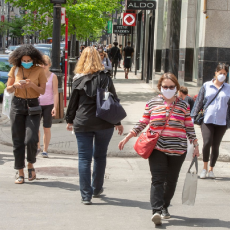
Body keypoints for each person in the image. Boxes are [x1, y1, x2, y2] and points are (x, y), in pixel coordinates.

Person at [119, 72, 199, 226]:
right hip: (157, 148)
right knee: (157, 180)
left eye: (171, 87)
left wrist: (195, 145)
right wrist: (128, 136)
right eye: (165, 87)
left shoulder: (184, 105)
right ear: (160, 87)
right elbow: (142, 122)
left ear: (176, 87)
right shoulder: (152, 103)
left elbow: (189, 127)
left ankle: (164, 206)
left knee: (171, 181)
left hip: (178, 150)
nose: (168, 89)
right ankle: (156, 211)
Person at [65, 47, 124, 205]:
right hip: (104, 122)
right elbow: (113, 100)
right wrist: (117, 122)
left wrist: (69, 120)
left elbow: (73, 103)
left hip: (83, 122)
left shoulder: (78, 79)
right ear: (99, 59)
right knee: (100, 156)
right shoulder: (106, 78)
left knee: (84, 158)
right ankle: (97, 188)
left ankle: (86, 195)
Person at [6, 44, 47, 184]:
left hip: (33, 105)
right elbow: (8, 89)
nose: (27, 62)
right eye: (24, 60)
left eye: (29, 60)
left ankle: (30, 163)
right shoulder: (15, 69)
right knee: (17, 140)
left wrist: (31, 85)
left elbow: (42, 91)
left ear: (34, 59)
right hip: (17, 105)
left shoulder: (39, 70)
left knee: (31, 138)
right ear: (19, 59)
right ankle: (20, 171)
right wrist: (15, 86)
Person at [191, 63, 230, 179]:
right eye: (220, 73)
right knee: (207, 142)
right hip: (207, 119)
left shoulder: (228, 88)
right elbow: (199, 102)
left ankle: (211, 169)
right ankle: (204, 167)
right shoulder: (206, 86)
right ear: (215, 73)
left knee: (216, 145)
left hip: (222, 122)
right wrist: (192, 116)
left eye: (224, 73)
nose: (222, 75)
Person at [37, 55, 59, 158]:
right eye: (41, 64)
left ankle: (45, 149)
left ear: (49, 65)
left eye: (45, 64)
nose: (43, 66)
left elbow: (55, 92)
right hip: (37, 104)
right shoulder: (36, 75)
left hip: (48, 105)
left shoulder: (53, 76)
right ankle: (38, 147)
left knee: (46, 128)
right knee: (35, 127)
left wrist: (55, 107)